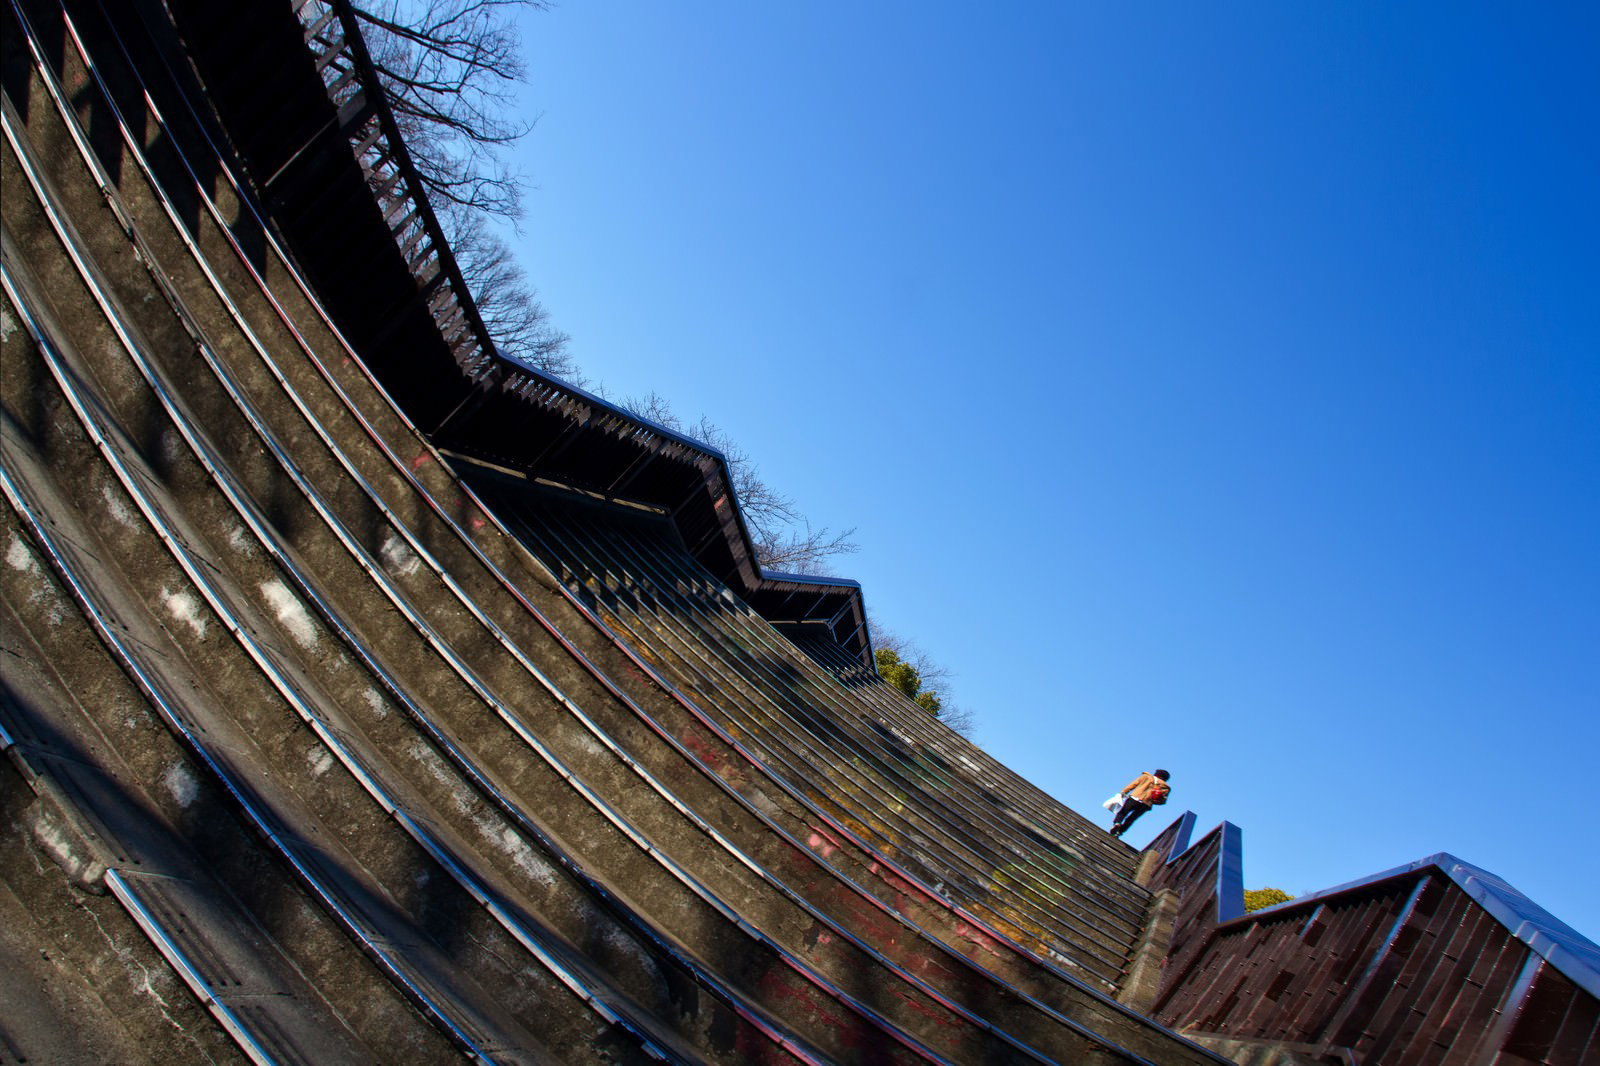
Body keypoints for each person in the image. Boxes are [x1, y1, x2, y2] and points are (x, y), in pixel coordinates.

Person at [1109, 769, 1170, 839]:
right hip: (1146, 804)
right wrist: (1154, 800)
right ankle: (1119, 832)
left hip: (1134, 798)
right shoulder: (1165, 787)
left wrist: (1123, 792)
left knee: (1123, 812)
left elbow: (1133, 784)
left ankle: (1117, 823)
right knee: (1131, 819)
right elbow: (1162, 801)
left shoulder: (1146, 777)